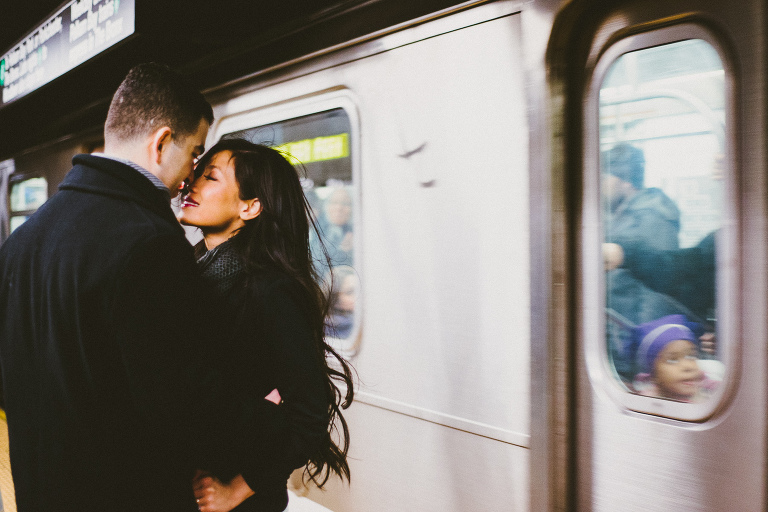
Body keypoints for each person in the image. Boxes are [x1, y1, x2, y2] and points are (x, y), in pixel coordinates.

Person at [0, 63, 268, 512]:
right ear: (161, 143)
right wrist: (269, 418)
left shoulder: (21, 242)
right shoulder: (150, 243)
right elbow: (182, 405)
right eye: (194, 153)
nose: (190, 174)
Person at [178, 138, 354, 512]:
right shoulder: (191, 270)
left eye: (210, 177)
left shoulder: (269, 288)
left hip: (234, 493)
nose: (191, 184)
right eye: (197, 173)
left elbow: (309, 414)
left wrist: (237, 489)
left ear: (250, 206)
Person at [601, 143, 683, 381]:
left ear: (625, 181)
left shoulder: (652, 216)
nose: (600, 186)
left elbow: (657, 292)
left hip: (634, 352)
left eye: (605, 178)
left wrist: (646, 357)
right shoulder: (622, 216)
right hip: (618, 344)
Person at [629, 315, 722, 402]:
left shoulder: (708, 386)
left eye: (691, 356)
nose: (688, 366)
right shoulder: (648, 403)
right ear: (654, 376)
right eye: (672, 360)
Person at [324, 265, 358, 339]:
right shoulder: (347, 327)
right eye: (350, 292)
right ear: (334, 300)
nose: (358, 296)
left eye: (359, 290)